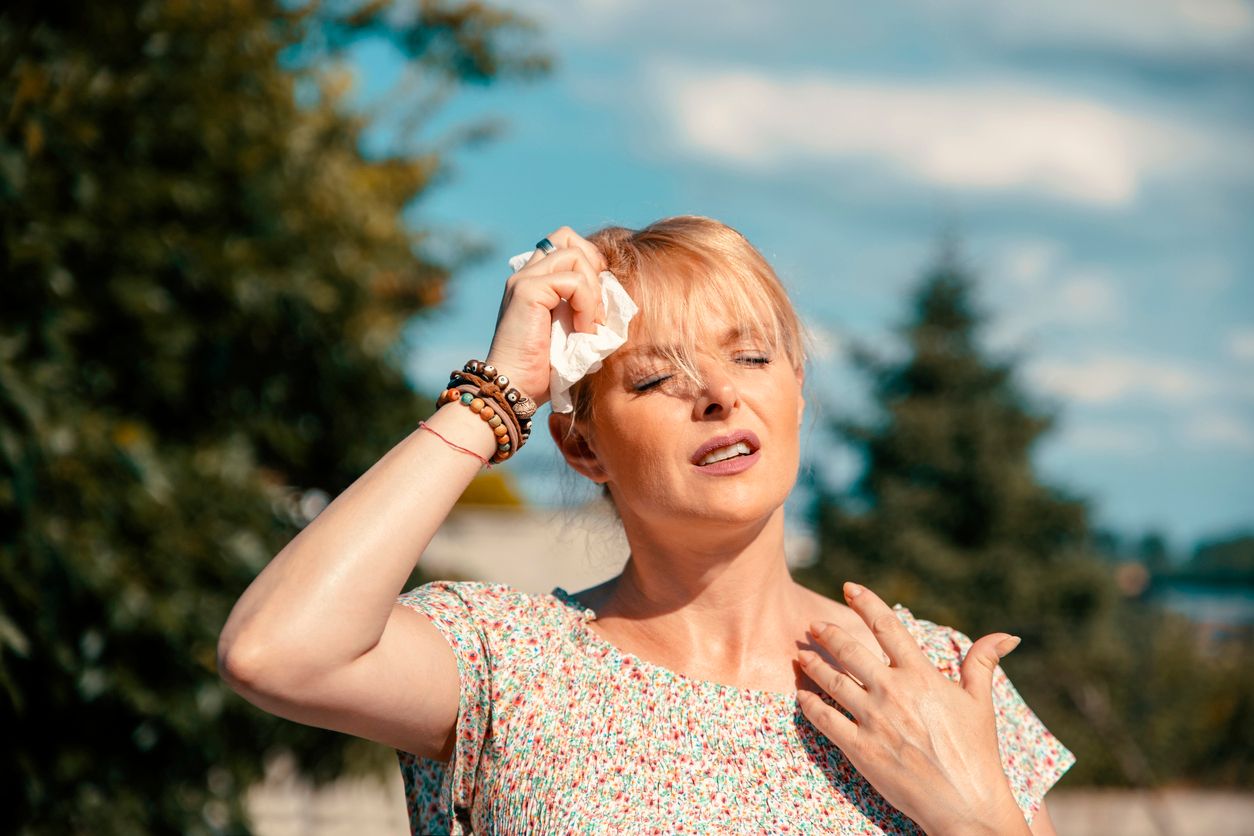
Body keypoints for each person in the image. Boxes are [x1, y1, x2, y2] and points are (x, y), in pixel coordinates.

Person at [218, 217, 1075, 834]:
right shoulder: (509, 663)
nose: (720, 393)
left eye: (751, 356)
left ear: (797, 391)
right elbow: (274, 651)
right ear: (582, 445)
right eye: (659, 377)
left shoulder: (933, 678)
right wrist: (495, 395)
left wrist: (979, 822)